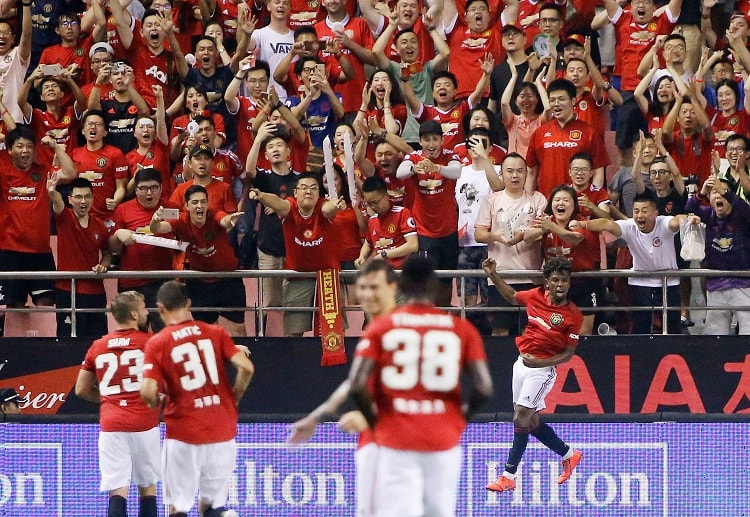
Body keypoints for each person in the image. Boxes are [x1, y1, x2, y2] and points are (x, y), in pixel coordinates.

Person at [348, 255, 493, 517]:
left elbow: (357, 384)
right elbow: (484, 387)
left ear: (400, 287)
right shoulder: (461, 329)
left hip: (395, 438)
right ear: (436, 287)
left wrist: (375, 423)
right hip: (442, 439)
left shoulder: (381, 327)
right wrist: (459, 420)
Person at [287, 259, 399, 517]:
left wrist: (373, 420)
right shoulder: (373, 335)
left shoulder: (402, 332)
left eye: (375, 287)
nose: (368, 295)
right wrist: (315, 418)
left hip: (398, 447)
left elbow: (418, 395)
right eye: (363, 288)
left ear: (393, 288)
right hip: (371, 445)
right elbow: (354, 383)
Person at [141, 280, 254, 517]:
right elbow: (247, 367)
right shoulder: (215, 333)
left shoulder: (158, 342)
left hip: (184, 432)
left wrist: (154, 402)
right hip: (222, 429)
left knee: (178, 507)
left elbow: (149, 391)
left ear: (160, 308)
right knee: (211, 506)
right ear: (189, 304)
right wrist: (233, 398)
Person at [482, 256, 584, 493]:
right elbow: (510, 296)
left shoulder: (573, 315)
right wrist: (492, 274)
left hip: (543, 371)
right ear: (547, 281)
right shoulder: (535, 296)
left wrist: (543, 362)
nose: (561, 285)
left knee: (520, 417)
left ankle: (509, 475)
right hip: (521, 365)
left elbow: (568, 354)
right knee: (531, 421)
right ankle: (569, 454)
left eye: (565, 281)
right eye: (556, 280)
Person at [74, 291, 160, 517]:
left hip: (112, 425)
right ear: (133, 314)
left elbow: (81, 389)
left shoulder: (98, 346)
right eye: (143, 307)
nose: (146, 311)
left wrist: (109, 399)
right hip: (145, 423)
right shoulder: (150, 343)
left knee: (117, 491)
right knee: (148, 489)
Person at [586, 193, 700, 334]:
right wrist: (584, 224)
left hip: (669, 282)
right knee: (641, 327)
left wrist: (688, 219)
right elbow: (607, 224)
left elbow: (676, 221)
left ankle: (672, 353)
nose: (640, 215)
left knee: (672, 327)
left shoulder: (664, 222)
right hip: (640, 283)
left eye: (645, 211)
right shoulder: (629, 226)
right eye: (636, 211)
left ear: (655, 213)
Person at [248, 173, 345, 337]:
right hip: (297, 276)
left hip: (327, 276)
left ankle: (333, 362)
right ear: (295, 193)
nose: (309, 192)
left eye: (314, 188)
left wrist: (336, 206)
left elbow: (328, 210)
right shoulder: (290, 207)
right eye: (304, 188)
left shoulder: (323, 206)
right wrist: (261, 196)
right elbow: (278, 203)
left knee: (333, 332)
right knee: (293, 332)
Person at [150, 185, 246, 336]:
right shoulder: (181, 220)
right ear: (187, 206)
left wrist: (230, 220)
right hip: (200, 284)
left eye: (203, 202)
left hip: (228, 280)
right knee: (208, 334)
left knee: (238, 331)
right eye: (195, 203)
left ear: (208, 204)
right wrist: (155, 220)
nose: (199, 206)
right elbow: (158, 228)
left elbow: (224, 220)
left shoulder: (214, 214)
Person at [474, 153, 547, 336]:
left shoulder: (537, 199)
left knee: (529, 331)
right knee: (500, 330)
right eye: (510, 171)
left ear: (526, 174)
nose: (515, 176)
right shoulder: (492, 200)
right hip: (500, 278)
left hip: (531, 277)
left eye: (519, 171)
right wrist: (497, 237)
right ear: (502, 175)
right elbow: (479, 234)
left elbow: (544, 230)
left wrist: (522, 235)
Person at [397, 119, 462, 307]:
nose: (431, 144)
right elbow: (400, 173)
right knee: (426, 281)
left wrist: (436, 168)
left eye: (435, 139)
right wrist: (413, 169)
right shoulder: (414, 157)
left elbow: (457, 172)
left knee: (447, 280)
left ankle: (442, 315)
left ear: (442, 140)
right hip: (424, 232)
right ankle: (427, 317)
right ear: (420, 141)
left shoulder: (451, 156)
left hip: (449, 231)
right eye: (426, 140)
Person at [109, 168, 174, 332]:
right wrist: (118, 234)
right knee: (134, 334)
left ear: (161, 188)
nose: (149, 193)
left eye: (153, 188)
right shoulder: (123, 210)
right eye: (143, 188)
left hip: (162, 282)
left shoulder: (172, 209)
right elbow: (112, 249)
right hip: (131, 283)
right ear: (135, 189)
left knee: (165, 334)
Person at [47, 175, 111, 338]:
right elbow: (57, 202)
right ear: (70, 199)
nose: (83, 201)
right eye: (78, 197)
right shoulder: (64, 217)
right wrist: (52, 192)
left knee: (97, 340)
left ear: (93, 198)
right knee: (67, 340)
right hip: (67, 291)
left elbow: (107, 253)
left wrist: (103, 265)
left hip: (95, 292)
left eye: (87, 196)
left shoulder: (100, 226)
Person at [686, 175, 750, 335]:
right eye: (714, 192)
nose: (719, 195)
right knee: (716, 336)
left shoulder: (740, 215)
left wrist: (725, 192)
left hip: (743, 284)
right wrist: (701, 193)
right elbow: (688, 209)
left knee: (748, 332)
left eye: (723, 192)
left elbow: (745, 209)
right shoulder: (708, 215)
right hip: (716, 284)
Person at [355, 175, 418, 268]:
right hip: (380, 273)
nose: (372, 207)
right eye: (369, 203)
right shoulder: (372, 220)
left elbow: (413, 245)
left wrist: (385, 254)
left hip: (400, 272)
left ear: (386, 196)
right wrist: (361, 257)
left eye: (375, 202)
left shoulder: (402, 213)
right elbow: (368, 244)